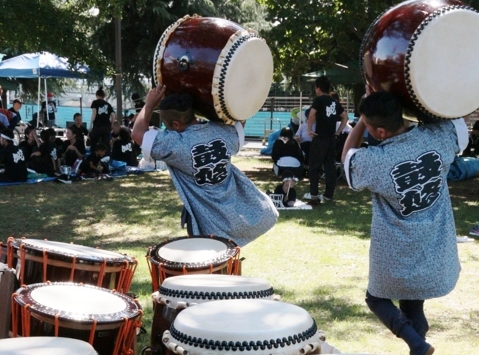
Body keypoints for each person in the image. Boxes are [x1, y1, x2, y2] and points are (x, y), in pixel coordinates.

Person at [341, 90, 467, 355]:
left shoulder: (376, 160)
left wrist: (362, 121)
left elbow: (348, 156)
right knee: (413, 304)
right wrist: (418, 96)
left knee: (376, 299)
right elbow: (457, 120)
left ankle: (415, 343)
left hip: (395, 251)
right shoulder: (437, 138)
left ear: (381, 132)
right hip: (432, 250)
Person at [132, 86, 278, 245]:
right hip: (236, 215)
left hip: (207, 224)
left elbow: (137, 133)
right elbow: (240, 121)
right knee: (229, 260)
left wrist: (149, 104)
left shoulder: (175, 145)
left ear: (176, 124)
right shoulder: (220, 131)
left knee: (207, 265)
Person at [306, 76, 348, 204]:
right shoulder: (334, 102)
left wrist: (309, 129)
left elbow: (312, 114)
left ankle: (314, 194)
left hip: (320, 138)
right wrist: (338, 132)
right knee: (330, 167)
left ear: (318, 88)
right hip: (331, 138)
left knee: (314, 166)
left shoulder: (318, 100)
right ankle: (328, 195)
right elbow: (345, 117)